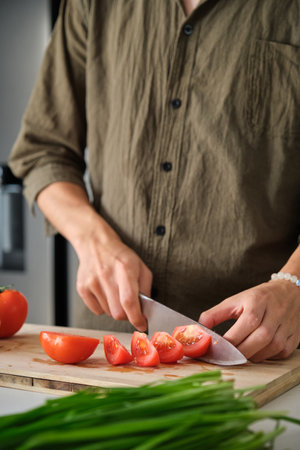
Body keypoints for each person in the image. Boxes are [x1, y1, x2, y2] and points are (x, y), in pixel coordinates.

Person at [9, 0, 300, 362]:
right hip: (107, 348)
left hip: (259, 348)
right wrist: (94, 241)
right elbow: (43, 151)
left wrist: (294, 284)